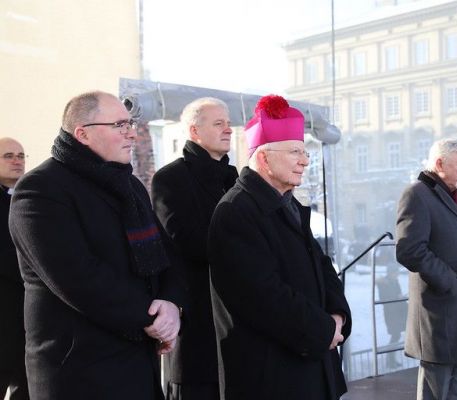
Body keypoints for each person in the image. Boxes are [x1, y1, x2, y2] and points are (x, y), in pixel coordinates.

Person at [8, 91, 186, 400]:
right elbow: (77, 277)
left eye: (130, 123)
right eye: (119, 124)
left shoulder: (129, 185)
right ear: (82, 134)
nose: (131, 132)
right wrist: (151, 318)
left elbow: (165, 254)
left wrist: (171, 304)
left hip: (137, 361)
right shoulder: (40, 189)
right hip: (78, 370)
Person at [208, 94, 351, 400]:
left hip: (312, 364)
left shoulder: (288, 203)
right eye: (295, 151)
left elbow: (322, 266)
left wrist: (338, 314)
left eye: (305, 151)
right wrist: (323, 329)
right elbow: (263, 294)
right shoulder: (236, 211)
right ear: (263, 158)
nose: (305, 159)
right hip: (272, 375)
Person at [152, 97, 238, 400]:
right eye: (218, 123)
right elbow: (184, 240)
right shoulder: (170, 179)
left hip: (236, 318)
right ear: (194, 131)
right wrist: (246, 247)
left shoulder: (234, 179)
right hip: (197, 320)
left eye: (228, 123)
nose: (228, 129)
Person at [396, 139, 457, 400]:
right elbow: (409, 250)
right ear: (440, 164)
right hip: (440, 311)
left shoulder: (455, 196)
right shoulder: (417, 194)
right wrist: (449, 280)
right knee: (437, 389)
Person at [0, 138, 29, 400]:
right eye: (8, 155)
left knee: (26, 384)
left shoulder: (33, 197)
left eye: (21, 155)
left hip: (27, 309)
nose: (17, 160)